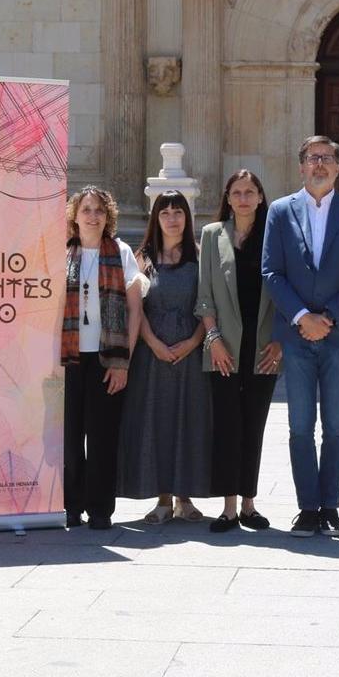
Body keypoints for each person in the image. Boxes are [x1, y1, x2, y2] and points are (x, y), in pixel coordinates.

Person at [262, 136, 339, 538]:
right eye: (313, 158)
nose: (320, 165)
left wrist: (326, 316)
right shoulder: (279, 211)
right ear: (301, 167)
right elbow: (272, 272)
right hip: (296, 338)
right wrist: (300, 317)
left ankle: (330, 506)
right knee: (298, 426)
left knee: (337, 427)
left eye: (327, 158)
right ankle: (307, 507)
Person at [118, 190, 214, 522]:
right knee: (156, 421)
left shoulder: (201, 256)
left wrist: (193, 341)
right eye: (165, 213)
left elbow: (207, 306)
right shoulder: (141, 257)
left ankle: (184, 498)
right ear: (155, 218)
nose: (172, 219)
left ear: (187, 218)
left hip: (190, 353)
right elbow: (136, 309)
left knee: (188, 421)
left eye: (178, 212)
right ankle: (161, 498)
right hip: (152, 353)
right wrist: (153, 342)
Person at [197, 170, 282, 533]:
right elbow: (205, 296)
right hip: (224, 348)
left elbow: (285, 293)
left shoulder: (276, 237)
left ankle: (249, 503)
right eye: (237, 192)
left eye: (250, 192)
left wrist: (281, 340)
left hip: (264, 347)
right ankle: (228, 506)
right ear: (228, 198)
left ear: (261, 197)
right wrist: (213, 339)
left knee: (254, 424)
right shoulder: (212, 235)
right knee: (227, 425)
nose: (244, 198)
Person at [61, 186, 142, 530]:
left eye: (99, 210)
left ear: (108, 217)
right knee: (68, 436)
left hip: (107, 358)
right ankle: (70, 506)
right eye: (86, 210)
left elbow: (135, 310)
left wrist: (123, 361)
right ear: (75, 216)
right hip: (67, 358)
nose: (92, 216)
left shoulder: (121, 252)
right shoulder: (61, 252)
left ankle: (100, 509)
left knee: (103, 435)